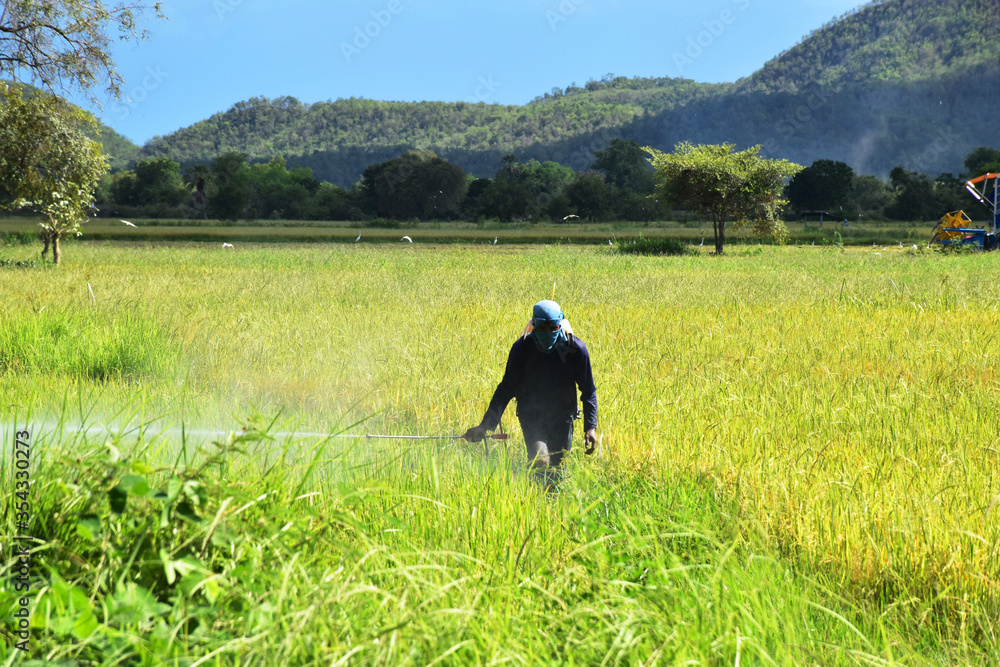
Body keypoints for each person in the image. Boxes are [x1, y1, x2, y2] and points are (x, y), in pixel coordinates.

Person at [463, 300, 598, 486]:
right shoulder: (523, 349)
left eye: (553, 327)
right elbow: (506, 388)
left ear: (560, 323)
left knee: (557, 473)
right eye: (543, 327)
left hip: (563, 417)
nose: (548, 331)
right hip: (532, 416)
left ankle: (549, 507)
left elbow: (588, 390)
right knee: (540, 461)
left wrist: (590, 427)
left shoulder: (573, 349)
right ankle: (532, 497)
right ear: (534, 325)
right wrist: (485, 426)